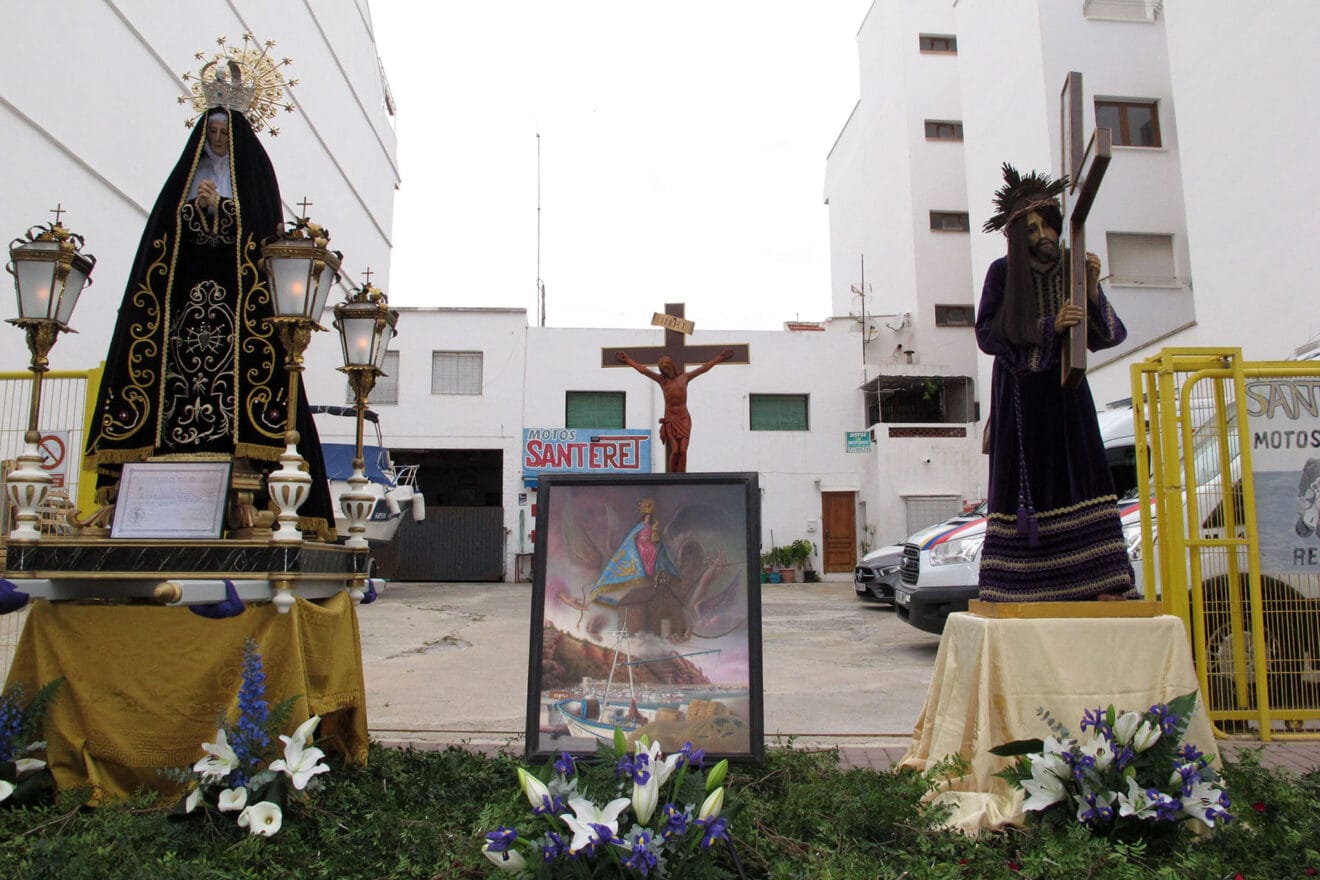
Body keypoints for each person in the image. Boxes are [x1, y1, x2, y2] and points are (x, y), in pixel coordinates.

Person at [83, 104, 334, 537]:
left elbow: (261, 238)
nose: (218, 140)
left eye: (224, 133)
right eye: (213, 131)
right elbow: (160, 245)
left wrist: (223, 210)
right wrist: (196, 212)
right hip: (185, 312)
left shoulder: (252, 180)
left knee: (248, 384)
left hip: (238, 316)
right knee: (175, 379)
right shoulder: (183, 183)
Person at [975, 163, 1134, 601]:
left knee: (1085, 476)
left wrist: (1093, 288)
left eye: (1046, 224)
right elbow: (987, 333)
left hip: (1069, 396)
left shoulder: (1073, 267)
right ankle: (1019, 585)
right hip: (1021, 399)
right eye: (1030, 229)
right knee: (1025, 490)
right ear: (1016, 237)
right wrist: (1049, 326)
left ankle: (1100, 581)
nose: (1042, 235)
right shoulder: (1002, 274)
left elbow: (1110, 334)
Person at [615, 349, 733, 473]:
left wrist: (720, 357)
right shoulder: (662, 380)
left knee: (683, 451)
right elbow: (644, 371)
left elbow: (703, 369)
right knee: (675, 450)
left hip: (684, 418)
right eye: (663, 369)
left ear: (672, 366)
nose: (666, 371)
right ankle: (671, 476)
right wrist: (628, 360)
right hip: (670, 419)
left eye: (667, 367)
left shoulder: (685, 378)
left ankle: (681, 476)